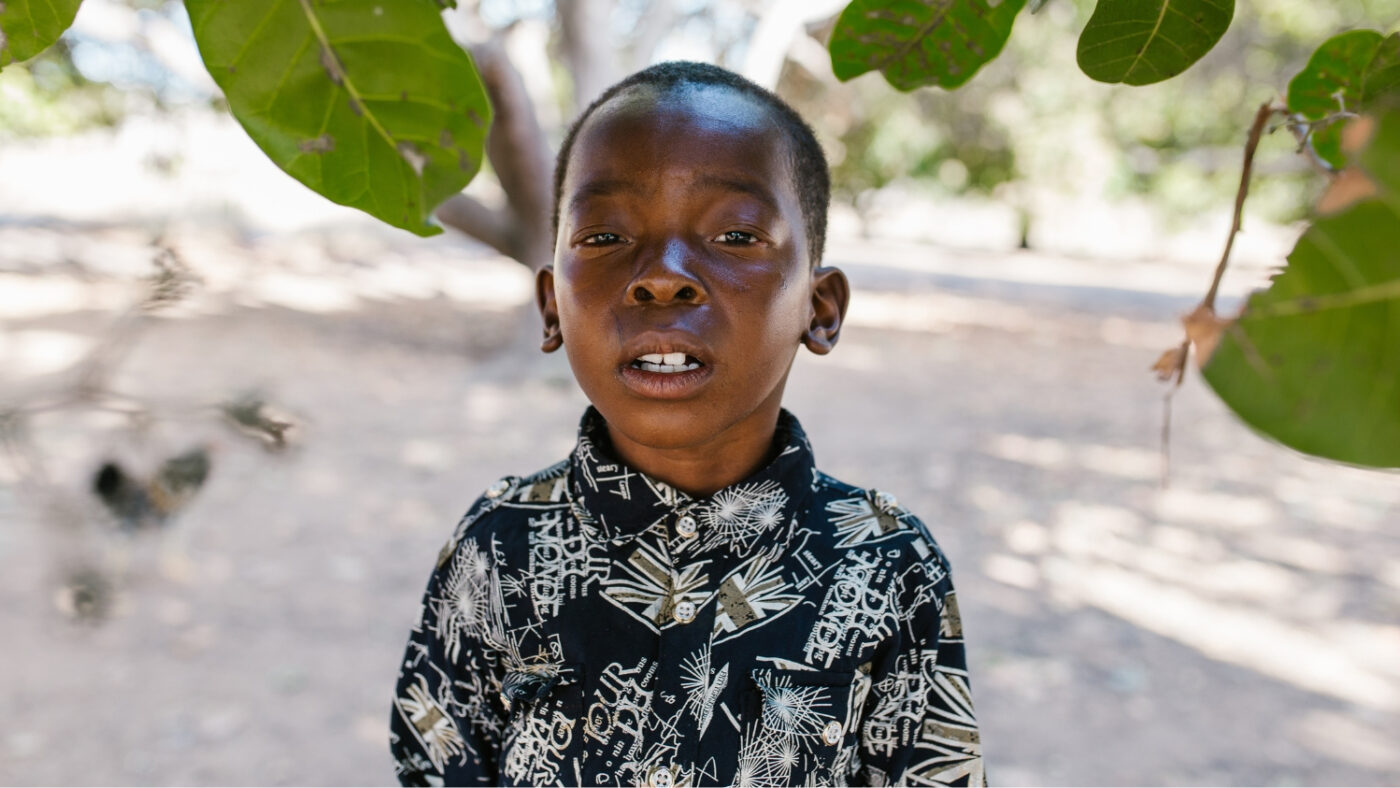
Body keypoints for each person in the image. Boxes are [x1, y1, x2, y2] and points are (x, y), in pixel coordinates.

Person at [389, 61, 983, 787]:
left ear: (819, 309)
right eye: (605, 238)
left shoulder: (888, 565)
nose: (663, 275)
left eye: (735, 236)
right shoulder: (496, 548)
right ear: (552, 307)